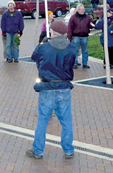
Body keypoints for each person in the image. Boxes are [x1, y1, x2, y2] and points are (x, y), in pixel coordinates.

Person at [26, 20, 78, 160]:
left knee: (43, 121)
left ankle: (38, 151)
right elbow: (72, 63)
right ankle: (68, 150)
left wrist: (42, 43)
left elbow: (34, 57)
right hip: (64, 88)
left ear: (53, 32)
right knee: (66, 121)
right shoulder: (72, 48)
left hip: (47, 88)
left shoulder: (44, 47)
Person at [67, 3, 94, 68]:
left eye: (84, 9)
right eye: (82, 9)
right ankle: (75, 63)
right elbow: (70, 27)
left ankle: (85, 63)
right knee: (75, 50)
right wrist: (69, 36)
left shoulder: (87, 17)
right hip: (75, 36)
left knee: (85, 51)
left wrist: (93, 24)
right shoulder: (73, 18)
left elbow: (90, 25)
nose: (83, 10)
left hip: (85, 36)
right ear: (78, 10)